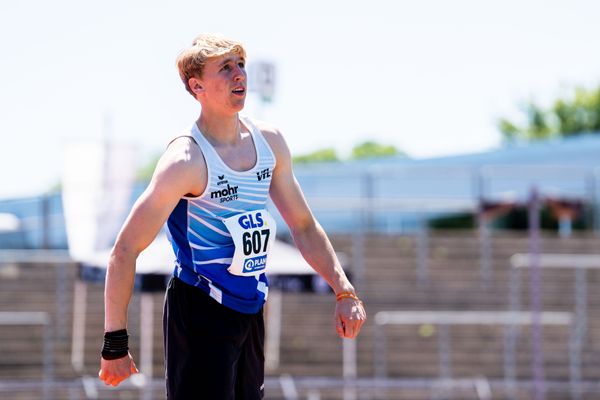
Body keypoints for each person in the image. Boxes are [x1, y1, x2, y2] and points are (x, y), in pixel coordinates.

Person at [98, 33, 366, 399]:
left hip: (250, 308)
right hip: (199, 308)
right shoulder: (185, 161)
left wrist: (343, 291)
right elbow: (125, 248)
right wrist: (115, 340)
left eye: (241, 64)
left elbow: (303, 225)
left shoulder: (270, 143)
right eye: (225, 68)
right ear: (197, 86)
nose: (239, 74)